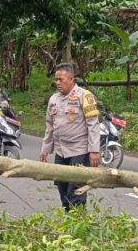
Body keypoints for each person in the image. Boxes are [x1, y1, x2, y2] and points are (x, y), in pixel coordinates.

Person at [39, 62, 102, 211]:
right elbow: (49, 126)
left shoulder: (85, 96)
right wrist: (45, 148)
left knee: (76, 192)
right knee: (62, 189)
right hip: (61, 152)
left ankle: (77, 226)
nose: (57, 83)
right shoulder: (53, 99)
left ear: (72, 79)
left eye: (61, 80)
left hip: (79, 151)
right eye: (56, 79)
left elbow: (93, 124)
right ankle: (69, 221)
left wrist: (94, 150)